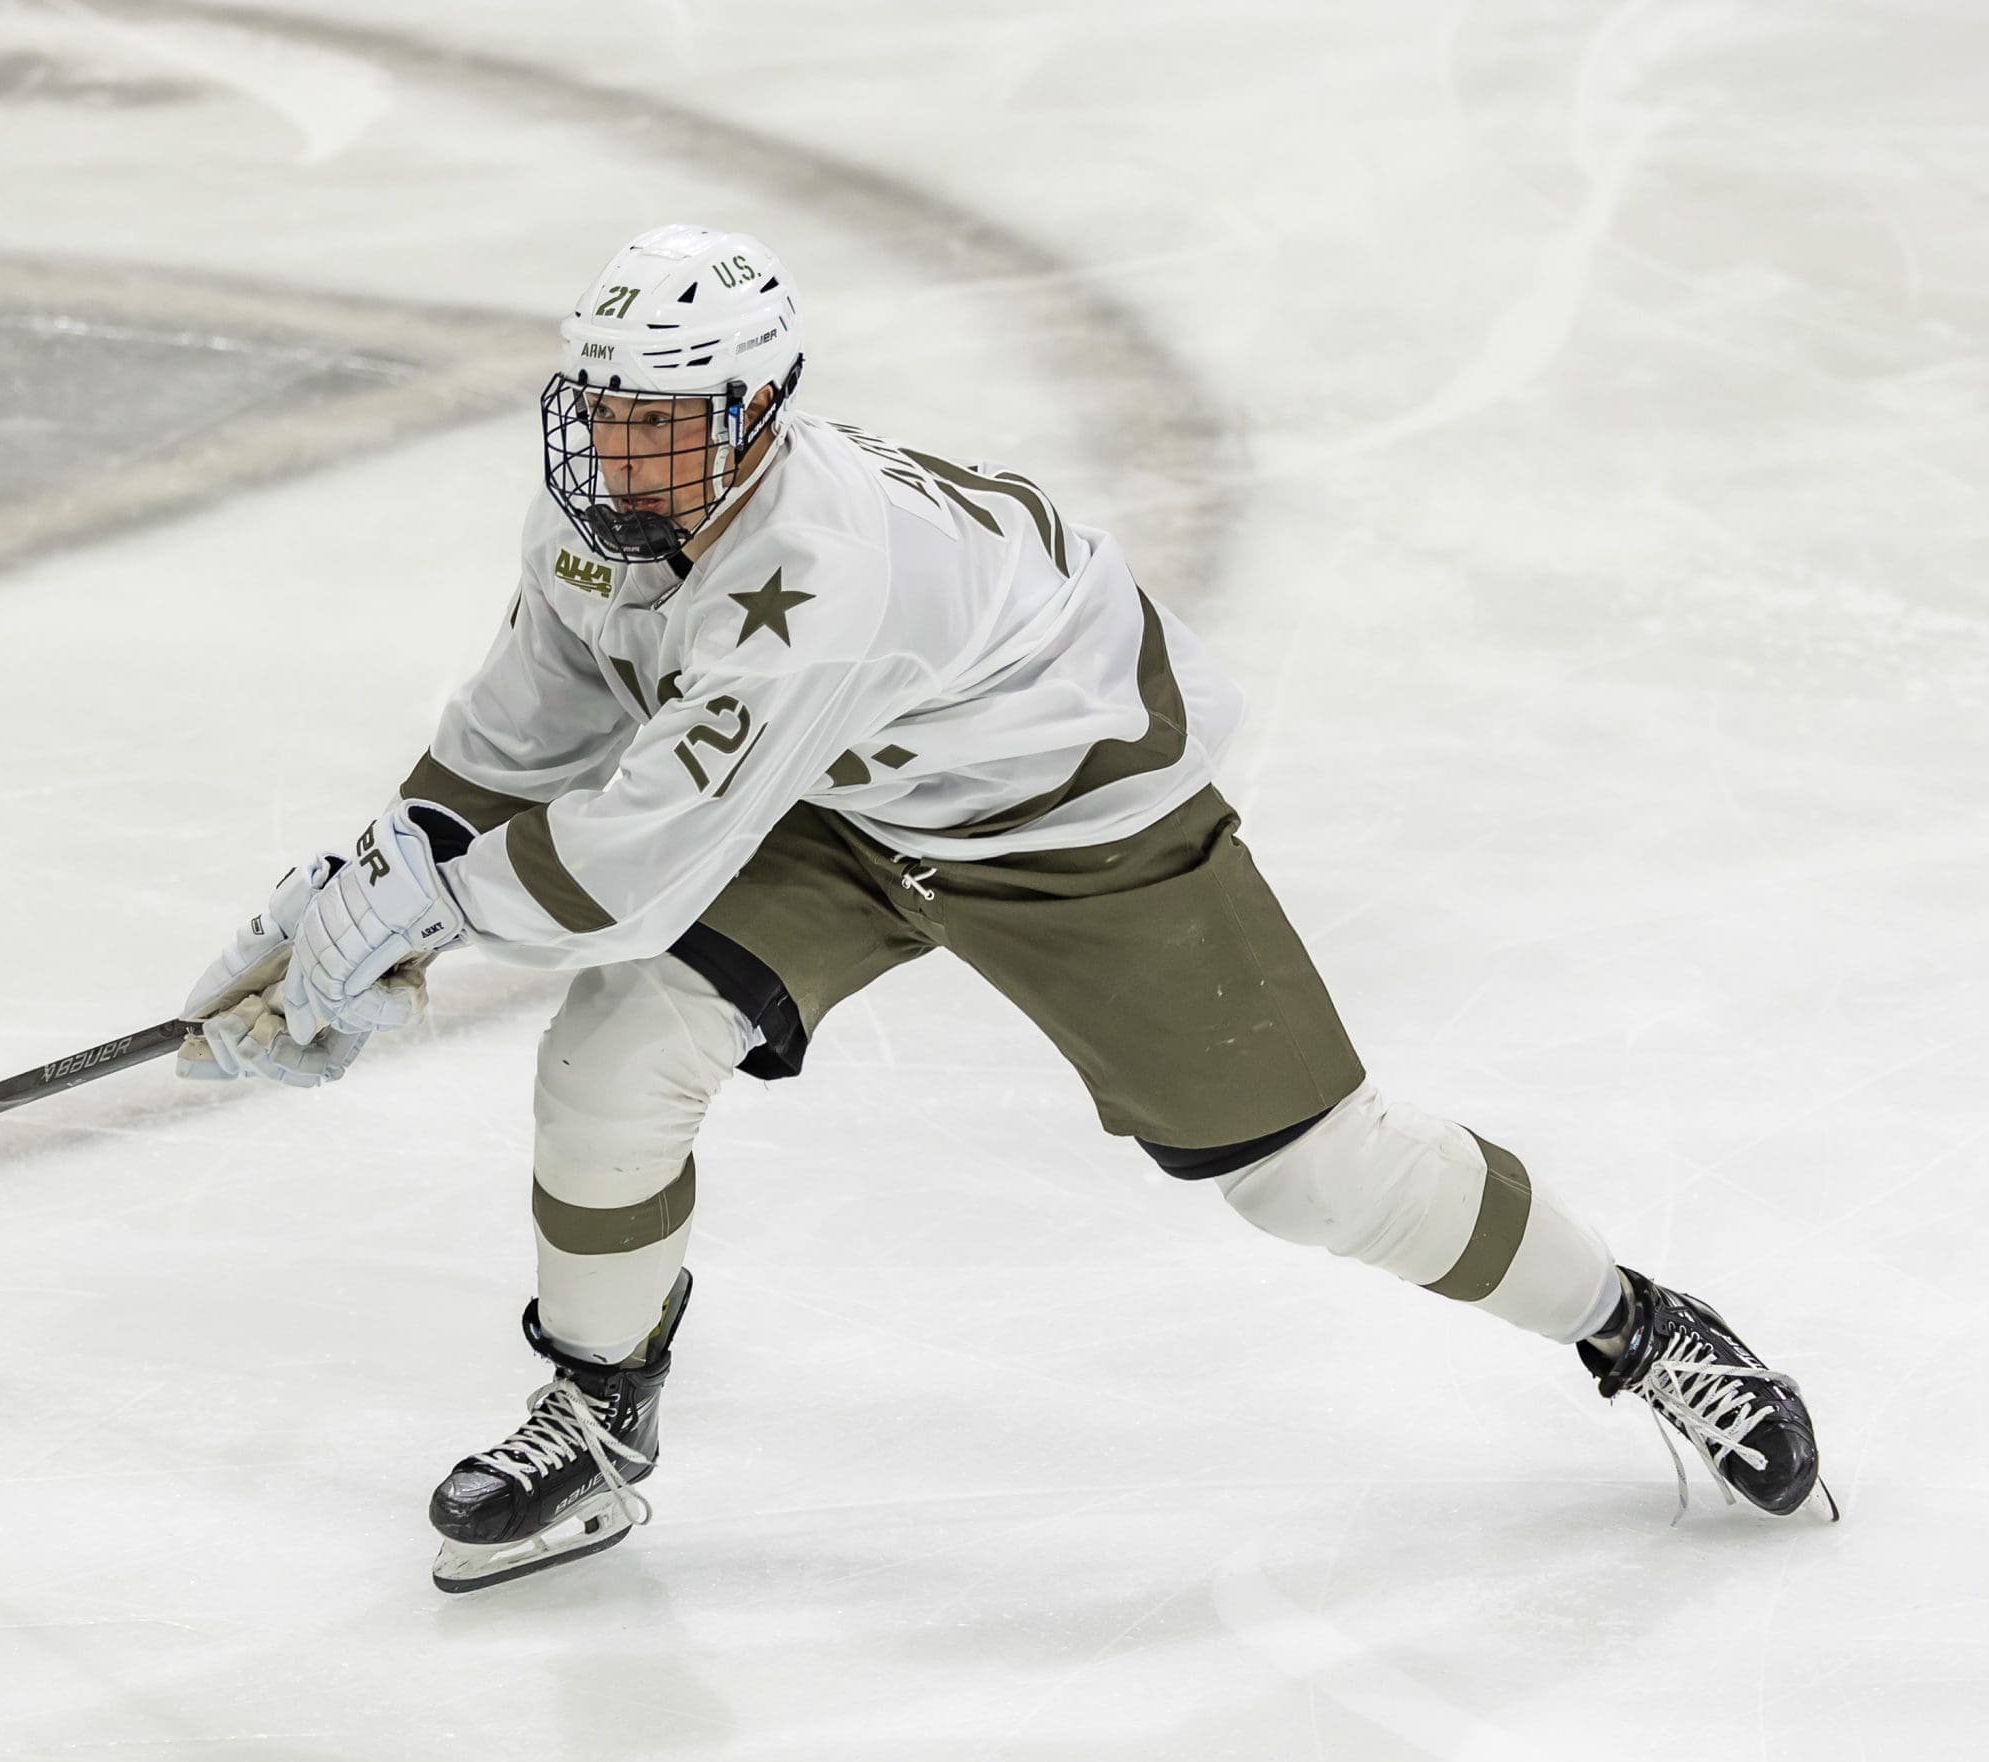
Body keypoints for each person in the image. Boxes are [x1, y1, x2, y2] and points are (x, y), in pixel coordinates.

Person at [179, 224, 1834, 1592]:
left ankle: (1640, 1329)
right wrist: (363, 884)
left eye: (664, 422)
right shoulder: (603, 519)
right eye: (601, 412)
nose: (622, 454)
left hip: (1064, 817)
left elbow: (619, 868)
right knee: (612, 1063)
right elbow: (519, 740)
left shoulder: (817, 574)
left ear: (758, 415)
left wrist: (424, 915)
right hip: (840, 794)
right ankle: (602, 1417)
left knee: (1317, 1181)